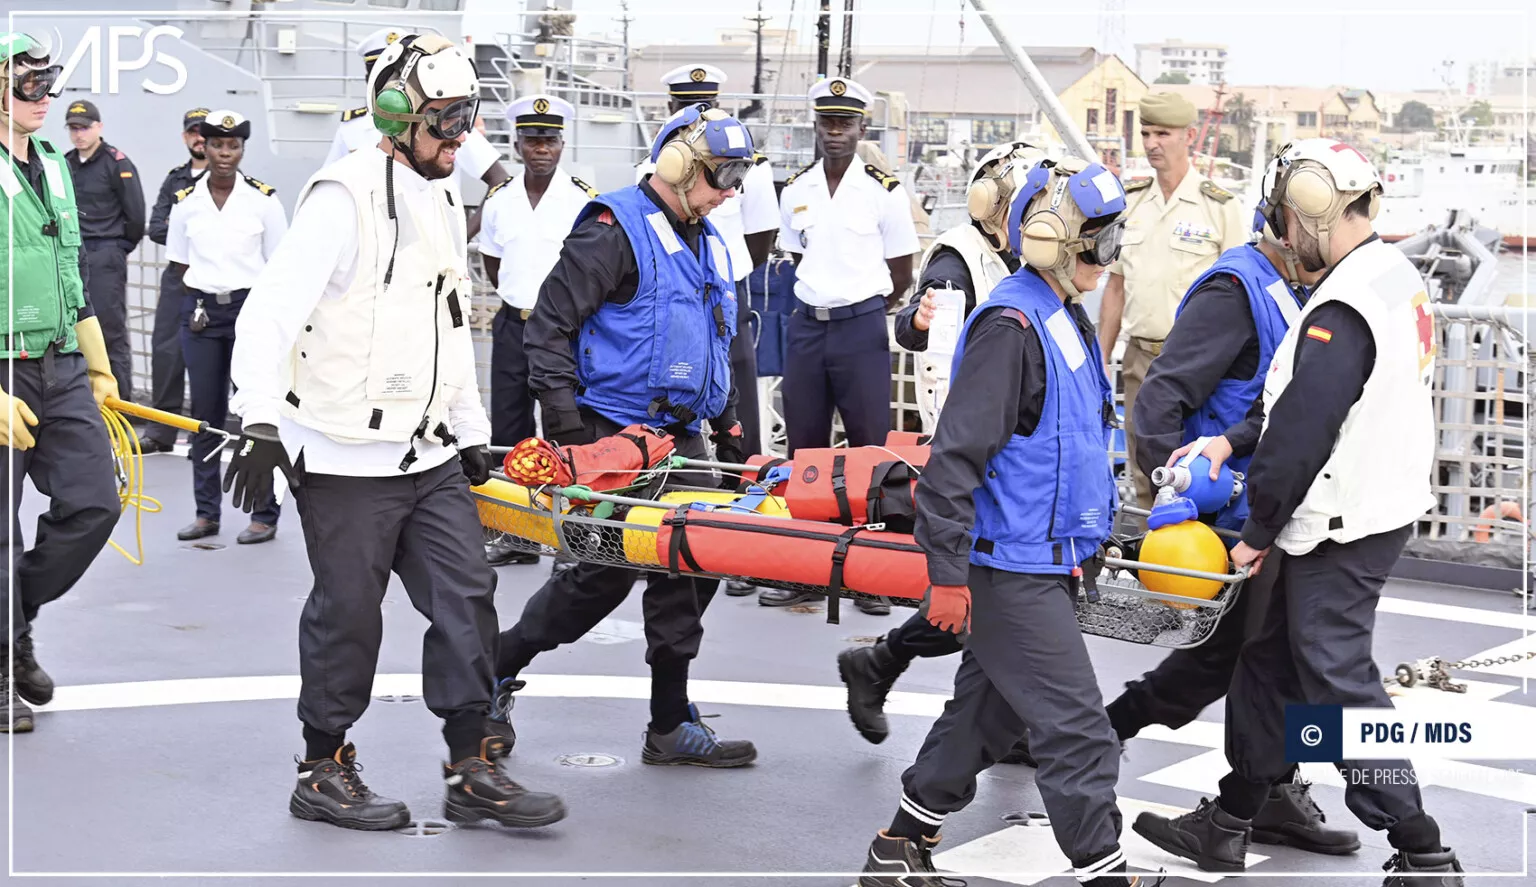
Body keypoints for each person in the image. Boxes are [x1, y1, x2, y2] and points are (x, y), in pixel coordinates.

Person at [227, 33, 567, 832]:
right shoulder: (340, 197)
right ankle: (321, 765)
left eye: (465, 120)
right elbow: (270, 312)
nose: (458, 139)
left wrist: (472, 429)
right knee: (349, 612)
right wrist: (259, 418)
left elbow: (450, 323)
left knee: (467, 597)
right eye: (444, 122)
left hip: (428, 452)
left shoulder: (442, 194)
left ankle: (470, 762)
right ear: (396, 116)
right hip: (343, 453)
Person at [1132, 139, 1464, 885]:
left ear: (1309, 216)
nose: (1280, 234)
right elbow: (1306, 400)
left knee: (1335, 681)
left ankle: (1422, 846)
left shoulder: (1340, 307)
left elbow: (1303, 430)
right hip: (1367, 506)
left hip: (1340, 520)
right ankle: (1229, 818)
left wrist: (1254, 534)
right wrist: (1230, 437)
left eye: (1285, 217)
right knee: (1270, 660)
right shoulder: (1387, 274)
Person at [859, 155, 1142, 887]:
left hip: (1044, 560)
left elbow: (1068, 443)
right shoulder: (1013, 326)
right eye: (1098, 243)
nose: (1106, 260)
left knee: (984, 717)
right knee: (1079, 729)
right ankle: (1107, 872)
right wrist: (949, 577)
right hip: (1010, 566)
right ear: (1056, 240)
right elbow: (953, 463)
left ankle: (898, 846)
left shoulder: (1062, 318)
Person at [490, 103, 759, 769]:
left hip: (683, 439)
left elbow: (715, 337)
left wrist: (727, 426)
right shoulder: (613, 229)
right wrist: (573, 434)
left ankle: (669, 722)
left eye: (737, 179)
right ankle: (493, 667)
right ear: (680, 165)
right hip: (613, 432)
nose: (730, 193)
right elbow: (546, 328)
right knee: (597, 581)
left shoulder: (707, 237)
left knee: (692, 569)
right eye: (722, 176)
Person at [1103, 180, 1359, 856]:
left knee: (1250, 664)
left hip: (1271, 513)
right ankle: (1108, 738)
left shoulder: (1301, 288)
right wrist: (1170, 498)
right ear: (1286, 225)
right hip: (1232, 518)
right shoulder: (1234, 291)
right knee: (1249, 664)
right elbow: (1159, 399)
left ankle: (1257, 791)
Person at [838, 141, 1039, 765]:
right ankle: (888, 666)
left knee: (996, 589)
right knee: (986, 588)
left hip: (1011, 440)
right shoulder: (958, 260)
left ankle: (887, 664)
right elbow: (915, 328)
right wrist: (923, 319)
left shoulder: (1019, 256)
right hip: (973, 442)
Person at [761, 76, 921, 614]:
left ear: (860, 127)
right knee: (803, 449)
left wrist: (863, 305)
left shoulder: (884, 190)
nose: (835, 131)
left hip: (860, 328)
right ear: (816, 124)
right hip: (808, 327)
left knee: (870, 450)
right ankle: (803, 569)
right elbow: (795, 255)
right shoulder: (797, 189)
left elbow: (901, 269)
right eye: (827, 121)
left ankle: (872, 573)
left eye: (845, 122)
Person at [0, 31, 122, 733]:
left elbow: (71, 270)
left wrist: (97, 361)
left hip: (60, 361)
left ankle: (11, 623)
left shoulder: (51, 160)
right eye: (28, 87)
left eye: (47, 86)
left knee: (93, 505)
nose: (42, 100)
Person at [638, 63, 779, 597]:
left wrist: (725, 277)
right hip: (670, 305)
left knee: (738, 421)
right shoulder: (651, 167)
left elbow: (760, 237)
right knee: (675, 421)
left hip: (725, 297)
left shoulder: (752, 168)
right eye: (683, 105)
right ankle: (676, 530)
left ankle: (748, 544)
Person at [1096, 92, 1248, 508]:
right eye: (1145, 133)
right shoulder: (1130, 203)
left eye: (1162, 133)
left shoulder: (1220, 207)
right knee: (1148, 476)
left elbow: (1243, 294)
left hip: (1203, 369)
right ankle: (1153, 569)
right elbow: (1115, 288)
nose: (1150, 143)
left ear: (1190, 137)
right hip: (1141, 362)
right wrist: (1099, 361)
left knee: (1202, 475)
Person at [479, 94, 596, 568]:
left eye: (549, 140)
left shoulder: (582, 199)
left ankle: (570, 538)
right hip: (512, 324)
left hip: (562, 331)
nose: (540, 148)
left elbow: (593, 269)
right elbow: (493, 262)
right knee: (510, 432)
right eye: (532, 140)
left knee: (565, 432)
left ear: (562, 145)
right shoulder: (499, 200)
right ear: (518, 143)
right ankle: (520, 536)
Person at [165, 111, 286, 545]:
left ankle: (264, 513)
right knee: (205, 415)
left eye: (232, 146)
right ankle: (206, 513)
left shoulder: (264, 202)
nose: (224, 154)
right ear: (203, 146)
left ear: (241, 150)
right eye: (217, 144)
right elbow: (180, 264)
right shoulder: (185, 203)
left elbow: (279, 267)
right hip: (201, 315)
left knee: (256, 414)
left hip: (250, 311)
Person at [326, 27, 508, 237]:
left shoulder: (445, 197)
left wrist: (460, 240)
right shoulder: (336, 194)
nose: (461, 137)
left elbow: (499, 177)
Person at [63, 98, 145, 407]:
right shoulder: (67, 162)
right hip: (73, 256)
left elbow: (136, 216)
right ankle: (83, 401)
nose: (79, 134)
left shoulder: (117, 163)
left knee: (109, 329)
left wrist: (118, 249)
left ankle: (120, 402)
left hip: (105, 254)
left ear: (99, 127)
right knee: (75, 328)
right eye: (73, 128)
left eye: (84, 128)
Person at [140, 107, 210, 454]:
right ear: (185, 137)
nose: (199, 138)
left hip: (213, 278)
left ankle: (205, 433)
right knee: (166, 354)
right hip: (177, 278)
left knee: (209, 359)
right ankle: (161, 432)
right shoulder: (175, 180)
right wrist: (195, 233)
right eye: (192, 132)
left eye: (204, 132)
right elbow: (155, 227)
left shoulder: (229, 179)